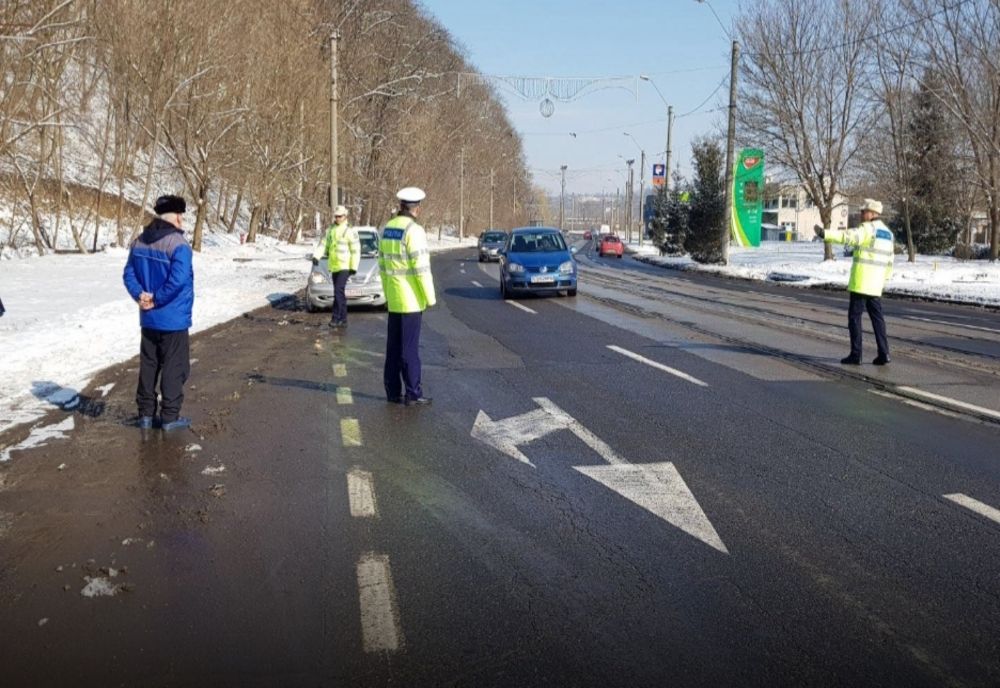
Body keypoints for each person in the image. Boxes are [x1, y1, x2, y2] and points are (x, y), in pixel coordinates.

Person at [122, 194, 195, 430]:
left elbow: (128, 273)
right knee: (175, 366)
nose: (181, 222)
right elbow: (178, 280)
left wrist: (140, 295)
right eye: (180, 217)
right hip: (172, 318)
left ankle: (145, 414)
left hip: (149, 318)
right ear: (173, 217)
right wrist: (156, 299)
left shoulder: (139, 241)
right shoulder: (178, 245)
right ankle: (170, 418)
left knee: (149, 365)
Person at [815, 198, 894, 365]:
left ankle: (856, 354)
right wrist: (883, 278)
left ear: (873, 213)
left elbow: (848, 237)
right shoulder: (888, 234)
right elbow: (890, 261)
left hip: (861, 281)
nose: (861, 214)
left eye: (864, 212)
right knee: (877, 319)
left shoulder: (867, 229)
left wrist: (826, 234)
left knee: (854, 318)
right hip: (876, 283)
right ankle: (884, 353)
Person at [378, 187, 436, 406]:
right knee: (409, 349)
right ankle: (413, 393)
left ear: (401, 206)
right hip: (410, 300)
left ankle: (393, 391)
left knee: (393, 349)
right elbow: (421, 268)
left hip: (394, 298)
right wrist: (430, 298)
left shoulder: (388, 229)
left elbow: (382, 266)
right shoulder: (414, 231)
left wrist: (387, 293)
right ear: (417, 209)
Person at [312, 204, 359, 328]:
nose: (337, 218)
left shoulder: (349, 231)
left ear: (345, 216)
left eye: (340, 216)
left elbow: (355, 250)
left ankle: (335, 317)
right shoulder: (330, 230)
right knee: (340, 293)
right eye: (336, 216)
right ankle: (343, 319)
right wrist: (317, 256)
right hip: (334, 266)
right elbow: (323, 244)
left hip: (345, 266)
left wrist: (353, 267)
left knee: (338, 292)